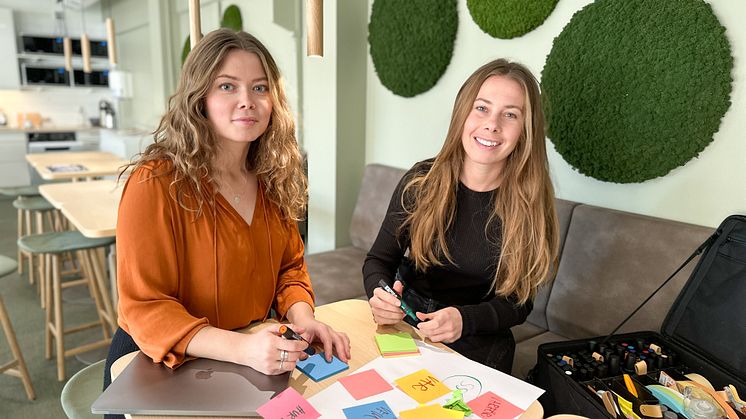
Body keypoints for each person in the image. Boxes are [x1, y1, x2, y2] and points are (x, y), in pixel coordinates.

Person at [103, 29, 351, 399]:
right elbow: (145, 306)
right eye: (227, 87)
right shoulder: (153, 183)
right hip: (159, 362)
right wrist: (243, 349)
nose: (247, 101)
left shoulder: (273, 177)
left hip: (252, 356)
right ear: (199, 98)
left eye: (259, 88)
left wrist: (304, 319)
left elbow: (289, 268)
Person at [363, 59, 559, 374]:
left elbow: (519, 303)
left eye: (510, 114)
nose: (492, 124)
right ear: (462, 114)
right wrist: (380, 294)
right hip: (409, 321)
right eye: (482, 108)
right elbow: (377, 260)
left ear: (526, 129)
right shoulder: (421, 182)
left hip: (479, 335)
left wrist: (464, 320)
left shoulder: (532, 203)